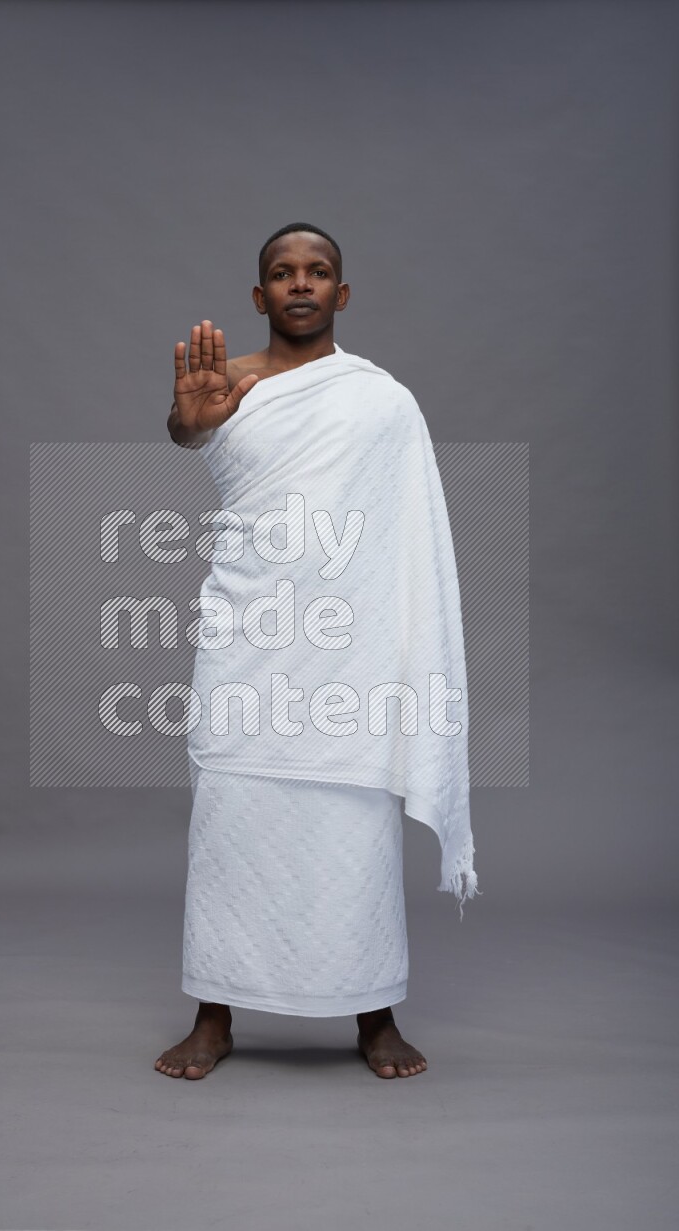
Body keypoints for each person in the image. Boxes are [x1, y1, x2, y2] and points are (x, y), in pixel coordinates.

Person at [155, 223, 469, 1080]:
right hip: (247, 635)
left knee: (351, 821)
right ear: (259, 296)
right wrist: (188, 425)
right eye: (283, 273)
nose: (301, 283)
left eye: (319, 271)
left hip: (348, 653)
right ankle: (213, 1015)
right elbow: (193, 432)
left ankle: (374, 1015)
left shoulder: (383, 401)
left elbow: (405, 536)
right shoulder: (232, 384)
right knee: (229, 818)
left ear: (342, 292)